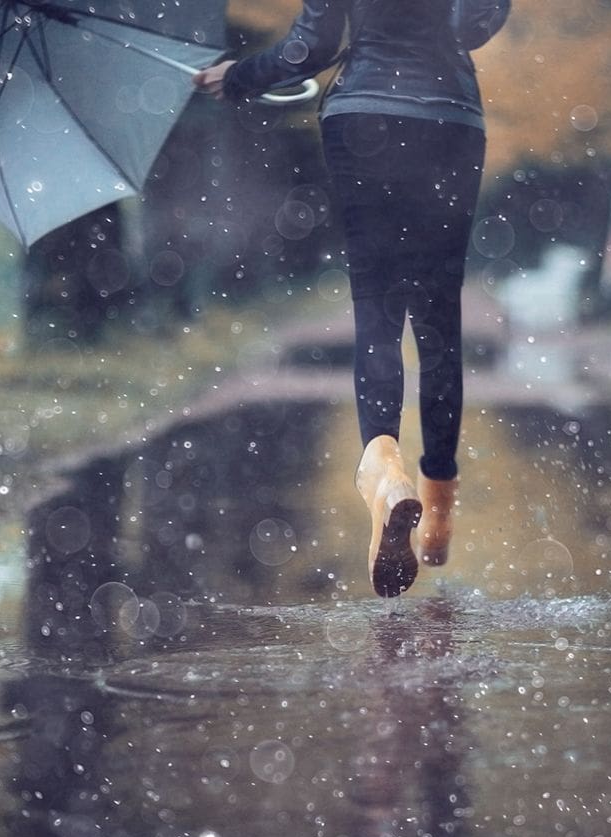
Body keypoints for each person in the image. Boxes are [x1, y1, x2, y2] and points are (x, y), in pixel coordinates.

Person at [195, 0, 510, 598]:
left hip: (364, 117)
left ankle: (387, 476)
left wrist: (236, 78)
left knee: (378, 310)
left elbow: (309, 48)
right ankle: (438, 509)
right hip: (449, 121)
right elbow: (473, 25)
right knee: (439, 319)